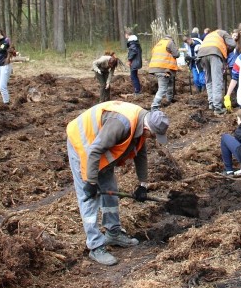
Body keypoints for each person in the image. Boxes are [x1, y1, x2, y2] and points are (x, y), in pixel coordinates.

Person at [65, 101, 170, 266]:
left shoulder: (141, 124)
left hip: (100, 147)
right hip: (84, 145)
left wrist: (143, 185)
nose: (154, 139)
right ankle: (95, 246)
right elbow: (94, 150)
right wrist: (91, 182)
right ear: (148, 129)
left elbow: (140, 154)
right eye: (154, 135)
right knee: (89, 199)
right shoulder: (121, 124)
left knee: (110, 188)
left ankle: (113, 232)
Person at [197, 29, 236, 114]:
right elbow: (233, 44)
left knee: (209, 80)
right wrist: (227, 51)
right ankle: (218, 108)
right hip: (214, 54)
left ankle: (212, 104)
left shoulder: (209, 35)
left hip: (201, 54)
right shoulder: (224, 32)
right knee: (217, 80)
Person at [148, 35, 180, 110]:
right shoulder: (170, 42)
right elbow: (177, 54)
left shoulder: (158, 44)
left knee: (170, 84)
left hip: (156, 68)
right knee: (162, 88)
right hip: (164, 68)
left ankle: (169, 100)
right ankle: (154, 105)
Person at [125, 29, 143, 96]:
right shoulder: (135, 42)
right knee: (134, 76)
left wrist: (129, 60)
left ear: (127, 34)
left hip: (134, 62)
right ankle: (137, 91)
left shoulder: (132, 42)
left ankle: (137, 91)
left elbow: (133, 51)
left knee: (133, 76)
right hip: (136, 61)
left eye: (125, 34)